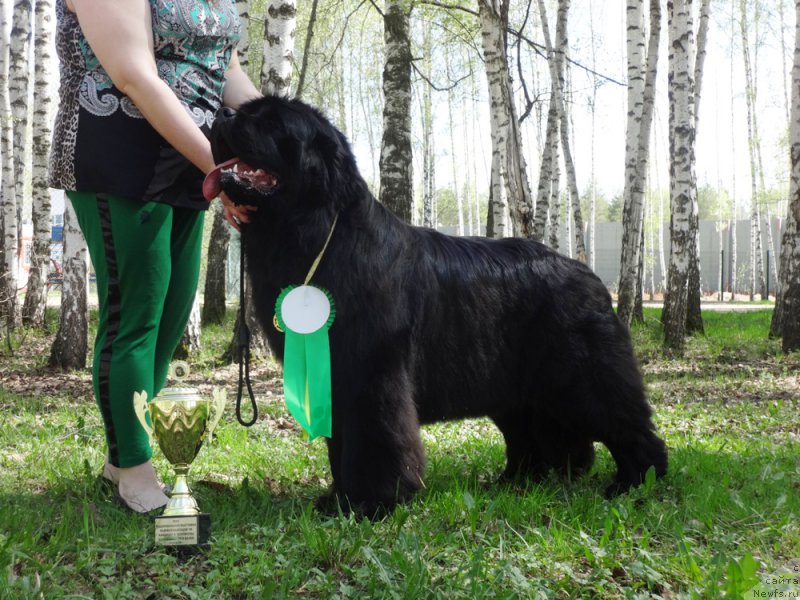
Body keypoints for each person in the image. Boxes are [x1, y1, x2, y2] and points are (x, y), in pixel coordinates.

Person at [48, 0, 261, 513]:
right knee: (135, 318)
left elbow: (225, 68)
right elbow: (134, 75)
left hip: (190, 156)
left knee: (167, 321)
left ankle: (120, 460)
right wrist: (222, 171)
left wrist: (293, 140)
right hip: (120, 149)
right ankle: (136, 475)